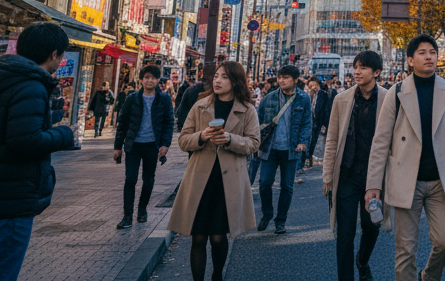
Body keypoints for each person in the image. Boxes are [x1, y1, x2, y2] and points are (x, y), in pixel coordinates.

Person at [365, 35, 445, 281]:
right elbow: (381, 142)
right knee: (405, 250)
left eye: (432, 52)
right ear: (411, 60)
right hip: (406, 180)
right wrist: (373, 184)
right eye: (422, 53)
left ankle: (429, 275)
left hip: (440, 180)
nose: (429, 57)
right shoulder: (397, 92)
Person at [168, 61, 261, 281]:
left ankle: (217, 276)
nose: (218, 81)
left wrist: (230, 139)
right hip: (200, 179)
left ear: (235, 82)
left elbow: (254, 143)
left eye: (225, 77)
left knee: (219, 237)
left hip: (227, 182)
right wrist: (201, 136)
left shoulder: (247, 109)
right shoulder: (200, 105)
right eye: (217, 76)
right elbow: (183, 140)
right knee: (198, 236)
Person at [0, 22, 76, 281]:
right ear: (54, 54)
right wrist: (64, 134)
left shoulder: (8, 75)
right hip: (13, 197)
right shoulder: (31, 85)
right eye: (62, 54)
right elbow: (25, 141)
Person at [323, 51, 385, 281]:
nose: (357, 72)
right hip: (347, 175)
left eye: (363, 68)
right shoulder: (342, 99)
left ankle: (363, 260)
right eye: (355, 67)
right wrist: (327, 175)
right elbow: (332, 139)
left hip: (374, 176)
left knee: (372, 226)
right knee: (345, 233)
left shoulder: (388, 99)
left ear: (376, 72)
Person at [113, 64, 174, 229]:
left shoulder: (164, 99)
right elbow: (122, 124)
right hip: (133, 145)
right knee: (130, 179)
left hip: (152, 146)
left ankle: (142, 210)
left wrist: (165, 144)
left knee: (148, 179)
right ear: (141, 80)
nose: (149, 81)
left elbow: (169, 123)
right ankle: (127, 216)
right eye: (146, 77)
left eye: (153, 78)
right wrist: (117, 147)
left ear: (158, 80)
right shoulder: (132, 98)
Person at [255, 64, 312, 234]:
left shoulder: (303, 98)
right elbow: (258, 120)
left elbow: (307, 122)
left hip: (291, 149)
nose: (281, 80)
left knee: (287, 187)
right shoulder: (269, 98)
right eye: (280, 77)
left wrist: (303, 142)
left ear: (295, 80)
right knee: (264, 183)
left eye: (286, 77)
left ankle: (281, 220)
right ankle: (267, 213)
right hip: (270, 148)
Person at [304, 77, 331, 170]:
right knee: (308, 138)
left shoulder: (323, 94)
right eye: (310, 86)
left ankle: (309, 155)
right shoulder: (309, 94)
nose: (313, 87)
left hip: (318, 120)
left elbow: (326, 109)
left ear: (318, 84)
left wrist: (325, 124)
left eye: (314, 85)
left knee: (314, 138)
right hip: (310, 119)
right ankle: (307, 156)